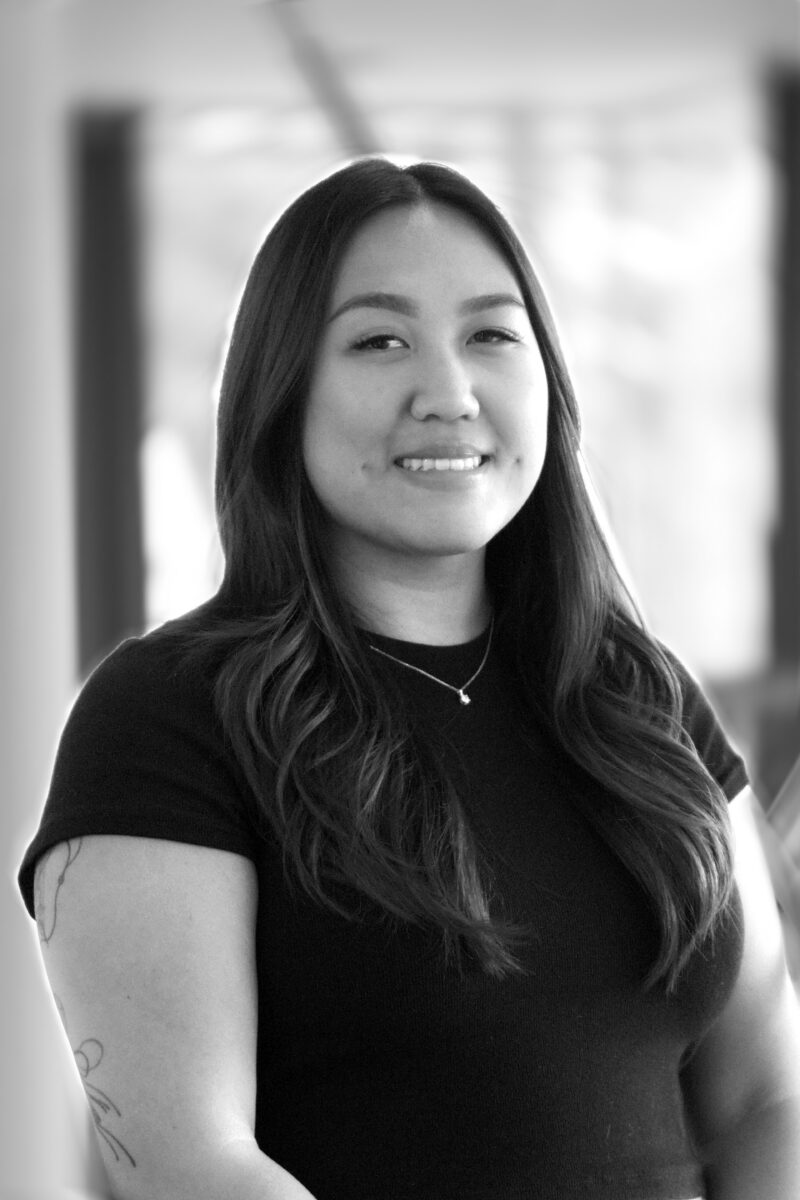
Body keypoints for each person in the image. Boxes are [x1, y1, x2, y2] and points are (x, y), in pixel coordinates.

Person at [17, 156, 800, 1200]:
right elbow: (189, 1164)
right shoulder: (166, 715)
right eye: (379, 341)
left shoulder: (642, 699)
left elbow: (765, 1098)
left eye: (491, 336)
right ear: (282, 388)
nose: (449, 394)